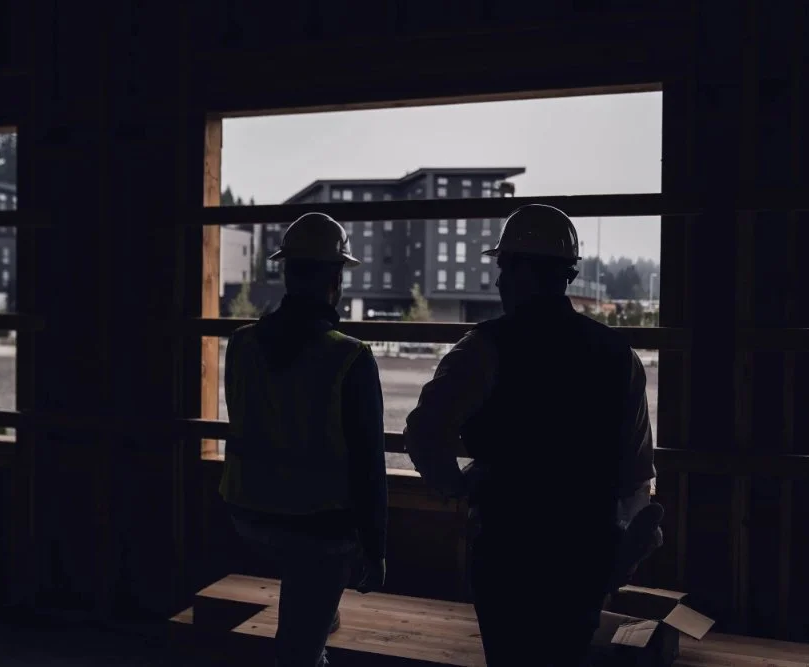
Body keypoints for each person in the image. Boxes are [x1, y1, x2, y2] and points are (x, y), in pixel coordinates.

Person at [404, 204, 658, 666]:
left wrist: (454, 485)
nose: (499, 281)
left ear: (514, 271)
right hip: (586, 551)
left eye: (502, 267)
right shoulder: (618, 356)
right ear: (568, 275)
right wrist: (622, 548)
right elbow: (636, 473)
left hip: (508, 549)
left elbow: (424, 431)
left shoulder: (481, 350)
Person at [219, 212, 387, 667]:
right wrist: (376, 549)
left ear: (287, 272)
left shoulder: (241, 344)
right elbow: (368, 464)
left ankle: (318, 610)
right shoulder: (350, 357)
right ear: (337, 279)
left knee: (307, 591)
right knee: (300, 650)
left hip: (248, 513)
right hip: (317, 525)